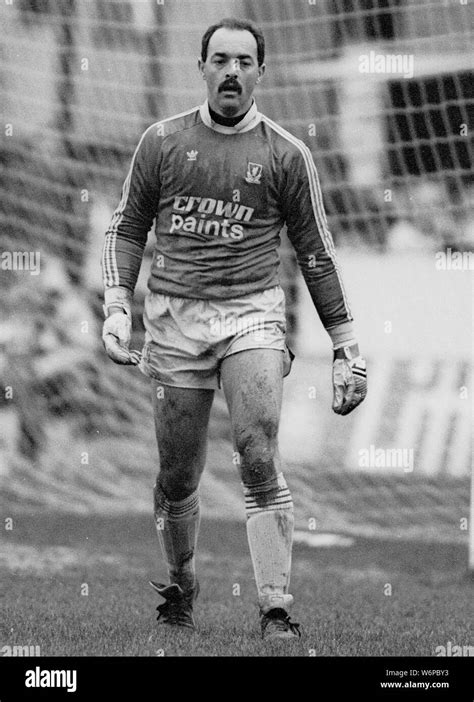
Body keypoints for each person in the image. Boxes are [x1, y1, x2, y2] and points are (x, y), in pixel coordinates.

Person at [101, 17, 367, 641]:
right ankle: (182, 586)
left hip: (253, 314)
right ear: (201, 68)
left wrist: (345, 345)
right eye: (220, 59)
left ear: (260, 73)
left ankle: (275, 607)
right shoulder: (161, 142)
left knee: (257, 450)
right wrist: (118, 306)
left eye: (244, 61)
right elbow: (126, 226)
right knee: (176, 476)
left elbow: (316, 252)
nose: (231, 71)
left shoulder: (286, 153)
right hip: (173, 319)